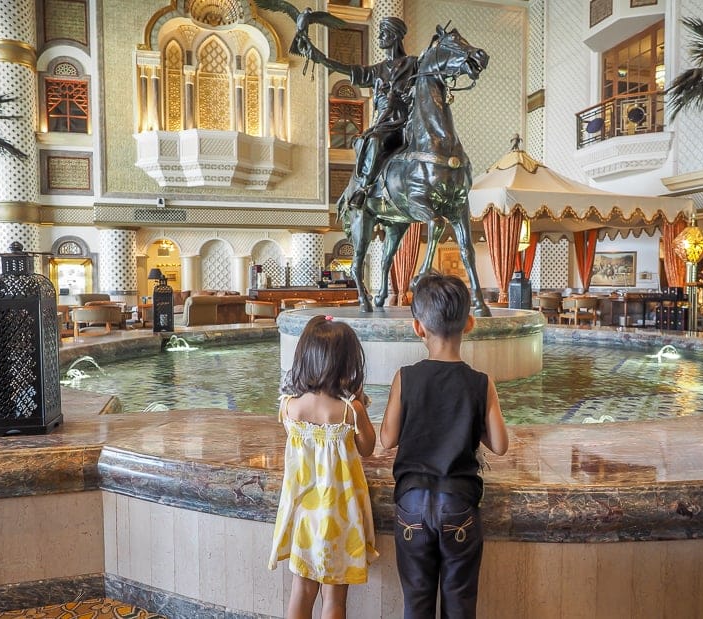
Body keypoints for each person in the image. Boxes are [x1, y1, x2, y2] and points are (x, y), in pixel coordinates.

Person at [380, 272, 509, 618]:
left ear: (418, 327)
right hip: (459, 507)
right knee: (460, 607)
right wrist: (471, 417)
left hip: (412, 507)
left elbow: (387, 438)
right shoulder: (481, 383)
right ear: (469, 323)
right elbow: (499, 444)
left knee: (417, 605)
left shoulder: (405, 377)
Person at [268, 314, 378, 619]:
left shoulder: (289, 407)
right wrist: (358, 403)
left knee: (301, 592)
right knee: (334, 600)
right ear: (346, 364)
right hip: (339, 516)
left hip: (303, 512)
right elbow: (368, 448)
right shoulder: (349, 411)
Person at [299, 16, 418, 208]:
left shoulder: (412, 63)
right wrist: (319, 57)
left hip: (409, 120)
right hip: (387, 124)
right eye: (379, 32)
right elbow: (346, 68)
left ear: (395, 37)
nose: (379, 36)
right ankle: (363, 189)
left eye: (384, 33)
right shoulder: (377, 70)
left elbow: (428, 83)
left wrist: (412, 94)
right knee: (375, 140)